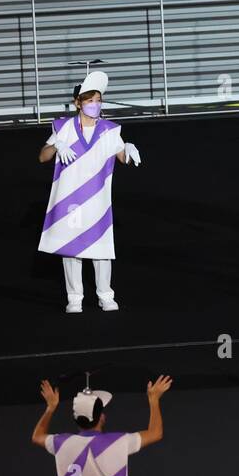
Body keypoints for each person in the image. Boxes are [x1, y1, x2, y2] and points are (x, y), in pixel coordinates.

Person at [37, 71, 142, 313]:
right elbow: (42, 157)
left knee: (100, 247)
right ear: (78, 103)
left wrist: (127, 147)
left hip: (96, 197)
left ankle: (105, 295)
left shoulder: (109, 130)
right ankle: (74, 298)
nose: (95, 105)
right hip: (70, 198)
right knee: (70, 249)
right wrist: (56, 144)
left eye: (98, 100)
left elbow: (122, 158)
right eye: (89, 100)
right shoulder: (63, 127)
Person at [30, 374, 172, 476]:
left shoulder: (62, 443)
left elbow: (37, 436)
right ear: (101, 417)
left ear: (77, 420)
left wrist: (50, 407)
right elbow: (155, 433)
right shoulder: (118, 442)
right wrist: (154, 399)